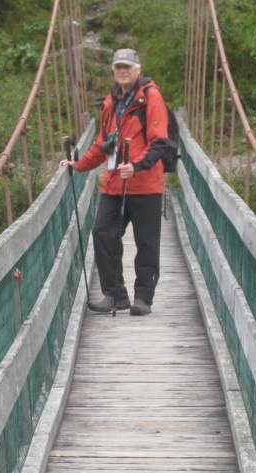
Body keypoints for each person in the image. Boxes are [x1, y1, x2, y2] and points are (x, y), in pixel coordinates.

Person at [60, 48, 171, 316]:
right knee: (102, 233)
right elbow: (104, 143)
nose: (122, 71)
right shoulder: (111, 101)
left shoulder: (151, 97)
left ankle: (143, 298)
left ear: (137, 69)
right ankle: (115, 295)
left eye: (127, 67)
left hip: (145, 185)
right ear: (113, 70)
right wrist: (79, 164)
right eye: (118, 67)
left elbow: (159, 142)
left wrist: (136, 166)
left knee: (147, 244)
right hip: (113, 184)